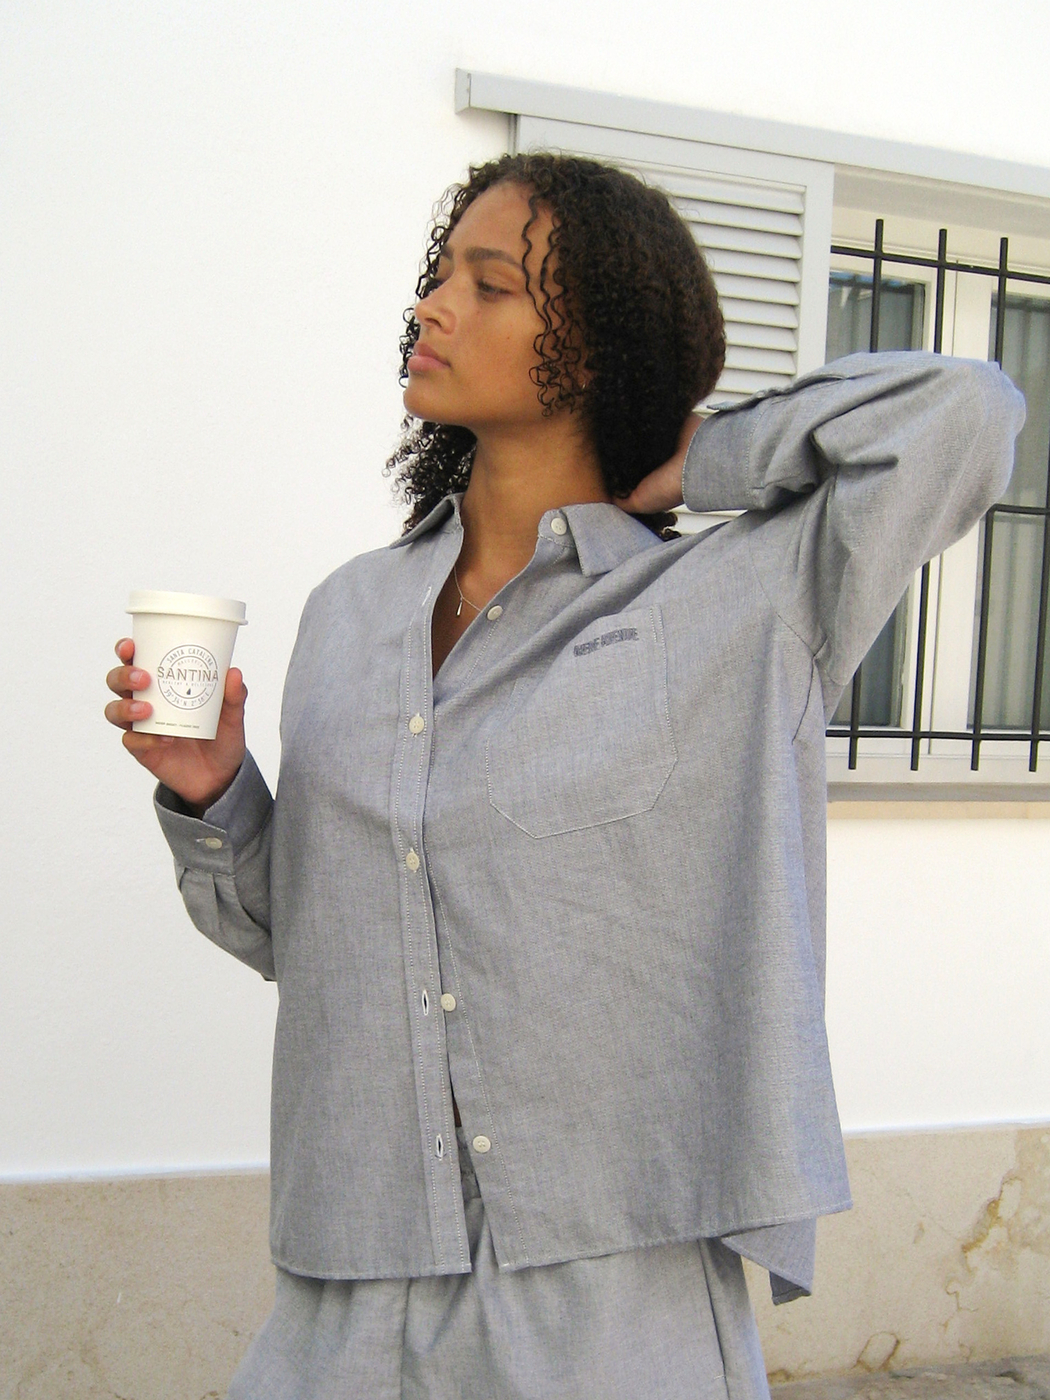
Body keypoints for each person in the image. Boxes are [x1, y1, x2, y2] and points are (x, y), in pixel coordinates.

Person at [106, 152, 1025, 1400]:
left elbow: (966, 415)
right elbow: (310, 941)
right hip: (348, 1279)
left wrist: (705, 450)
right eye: (440, 276)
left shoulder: (742, 601)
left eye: (490, 286)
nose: (434, 306)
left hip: (611, 1297)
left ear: (593, 351)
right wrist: (211, 792)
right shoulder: (347, 615)